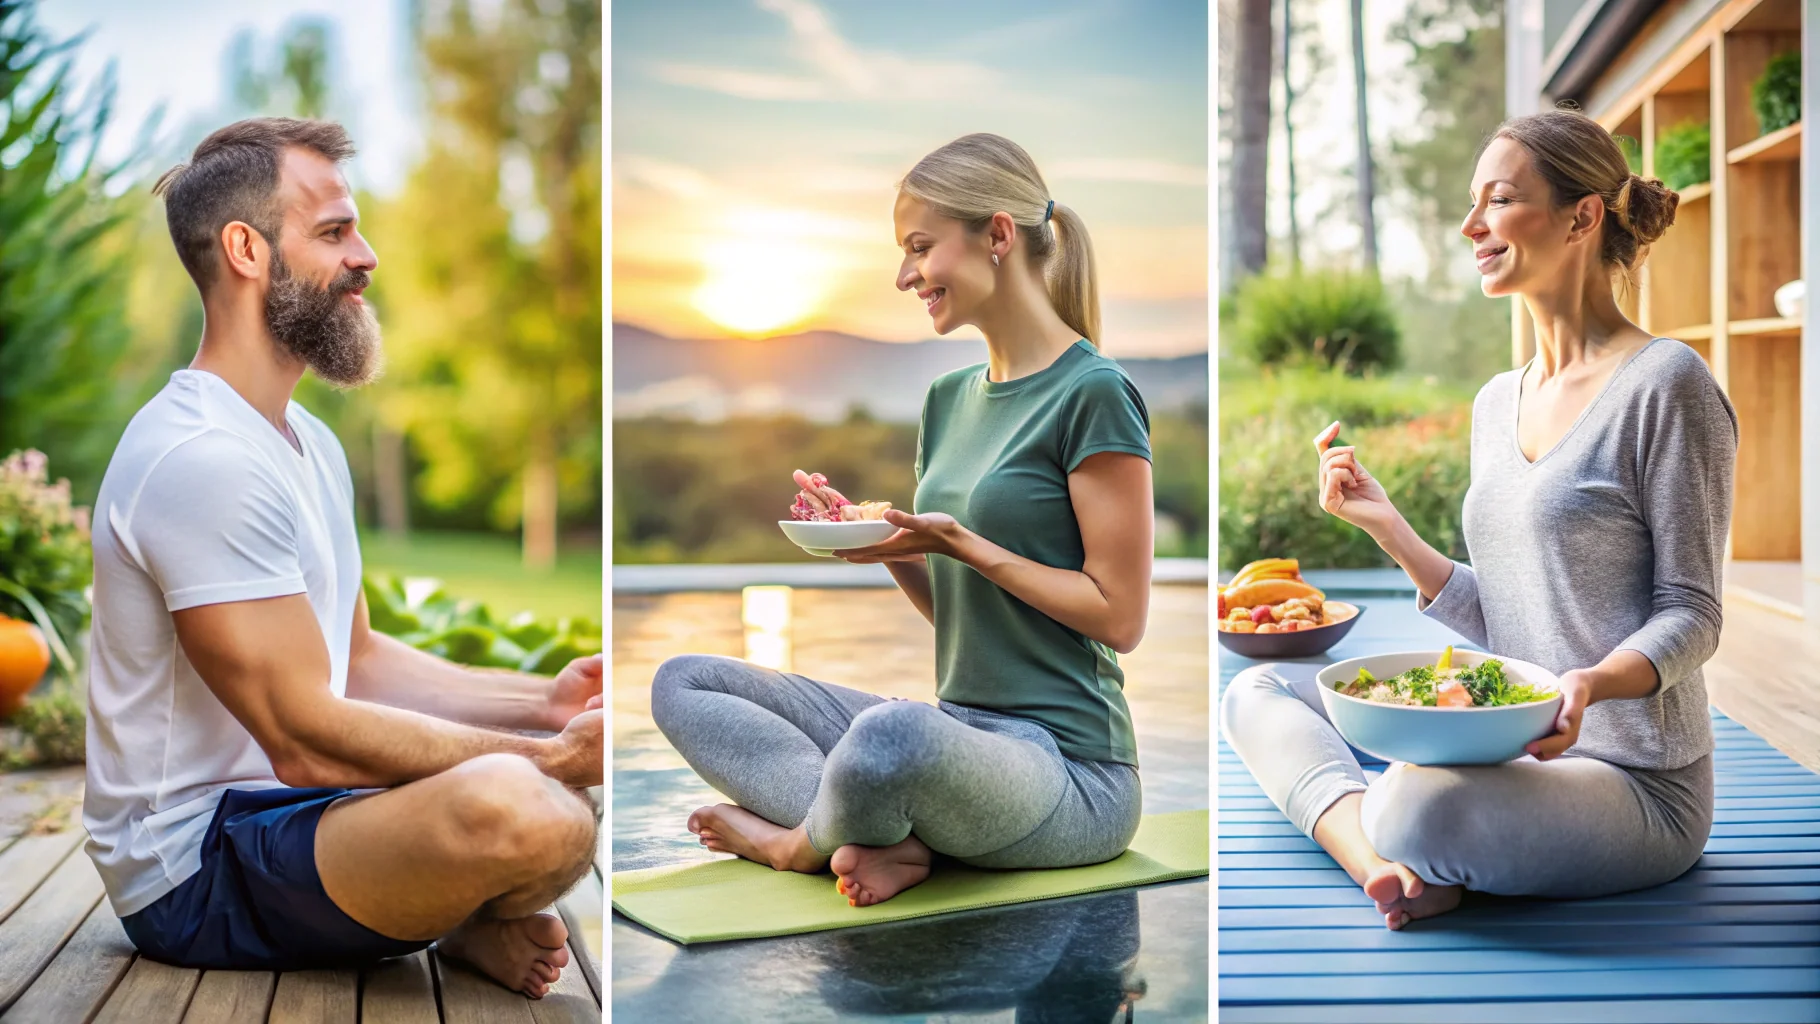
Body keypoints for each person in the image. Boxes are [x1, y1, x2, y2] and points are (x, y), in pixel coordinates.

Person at [84, 118, 603, 998]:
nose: (366, 257)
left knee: (560, 789)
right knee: (532, 809)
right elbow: (303, 740)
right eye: (333, 233)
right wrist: (546, 758)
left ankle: (458, 918)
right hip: (194, 866)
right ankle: (460, 911)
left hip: (303, 819)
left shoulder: (306, 442)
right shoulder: (202, 458)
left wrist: (544, 707)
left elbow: (356, 661)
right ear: (246, 250)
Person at [1222, 108, 1736, 930]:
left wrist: (1590, 684)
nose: (1471, 226)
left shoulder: (1667, 384)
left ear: (1581, 217)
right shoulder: (1498, 401)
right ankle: (1381, 866)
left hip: (1634, 782)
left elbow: (1694, 614)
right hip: (1502, 739)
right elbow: (1510, 611)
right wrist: (1388, 528)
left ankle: (1399, 840)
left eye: (1497, 200)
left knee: (1418, 802)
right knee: (1259, 690)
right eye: (1473, 203)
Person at [651, 133, 1155, 906]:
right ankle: (889, 831)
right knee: (684, 682)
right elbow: (965, 619)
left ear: (996, 234)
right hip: (961, 744)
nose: (903, 275)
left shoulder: (1094, 393)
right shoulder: (946, 401)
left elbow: (1120, 618)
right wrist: (891, 547)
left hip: (1072, 774)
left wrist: (965, 546)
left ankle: (799, 844)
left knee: (891, 735)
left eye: (920, 248)